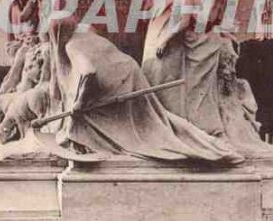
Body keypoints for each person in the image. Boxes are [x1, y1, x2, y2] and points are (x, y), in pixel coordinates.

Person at [47, 18, 243, 165]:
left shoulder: (72, 46)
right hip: (128, 71)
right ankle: (211, 145)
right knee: (157, 119)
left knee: (91, 116)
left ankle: (79, 142)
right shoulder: (86, 32)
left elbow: (88, 71)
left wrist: (79, 104)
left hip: (117, 84)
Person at [142, 0, 227, 137]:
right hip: (191, 40)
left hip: (203, 43)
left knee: (199, 90)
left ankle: (205, 129)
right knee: (190, 90)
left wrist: (183, 11)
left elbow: (206, 19)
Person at [0, 0, 40, 95]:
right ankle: (8, 89)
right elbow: (22, 18)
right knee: (21, 60)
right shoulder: (16, 5)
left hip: (31, 42)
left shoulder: (33, 3)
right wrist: (32, 0)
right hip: (18, 45)